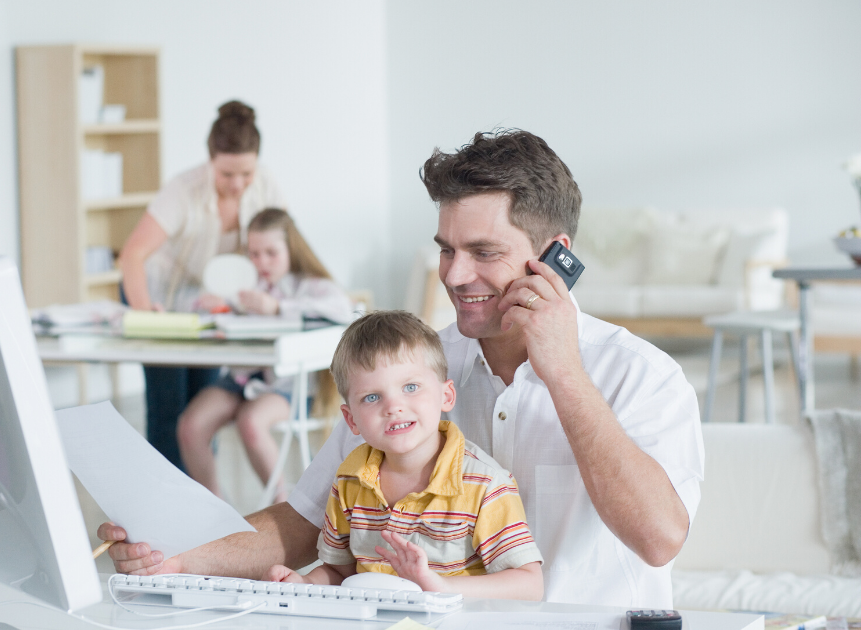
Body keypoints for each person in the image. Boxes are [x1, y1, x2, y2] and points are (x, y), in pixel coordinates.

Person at [99, 129, 704, 609]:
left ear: (555, 257)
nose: (455, 275)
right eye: (446, 249)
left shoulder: (641, 376)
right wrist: (177, 555)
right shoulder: (413, 373)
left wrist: (564, 371)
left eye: (484, 252)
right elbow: (304, 520)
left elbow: (658, 540)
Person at [262, 310, 543, 599]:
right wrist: (305, 584)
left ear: (446, 395)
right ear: (352, 420)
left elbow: (529, 586)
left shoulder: (485, 485)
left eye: (410, 387)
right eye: (372, 397)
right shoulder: (349, 481)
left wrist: (439, 587)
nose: (393, 406)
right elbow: (340, 572)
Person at [118, 100, 286, 470]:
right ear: (211, 160)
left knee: (200, 411)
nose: (238, 184)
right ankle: (165, 513)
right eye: (227, 174)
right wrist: (148, 315)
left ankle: (204, 510)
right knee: (169, 407)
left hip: (207, 304)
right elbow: (132, 256)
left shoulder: (266, 184)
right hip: (156, 296)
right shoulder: (183, 190)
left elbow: (283, 248)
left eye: (246, 173)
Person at [177, 208, 353, 502]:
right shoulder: (246, 286)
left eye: (271, 253)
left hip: (287, 387)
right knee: (190, 426)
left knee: (251, 421)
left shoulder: (312, 287)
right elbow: (213, 307)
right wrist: (217, 306)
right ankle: (214, 506)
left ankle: (283, 505)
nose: (262, 263)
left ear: (291, 249)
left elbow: (342, 310)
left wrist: (277, 308)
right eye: (254, 254)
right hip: (240, 379)